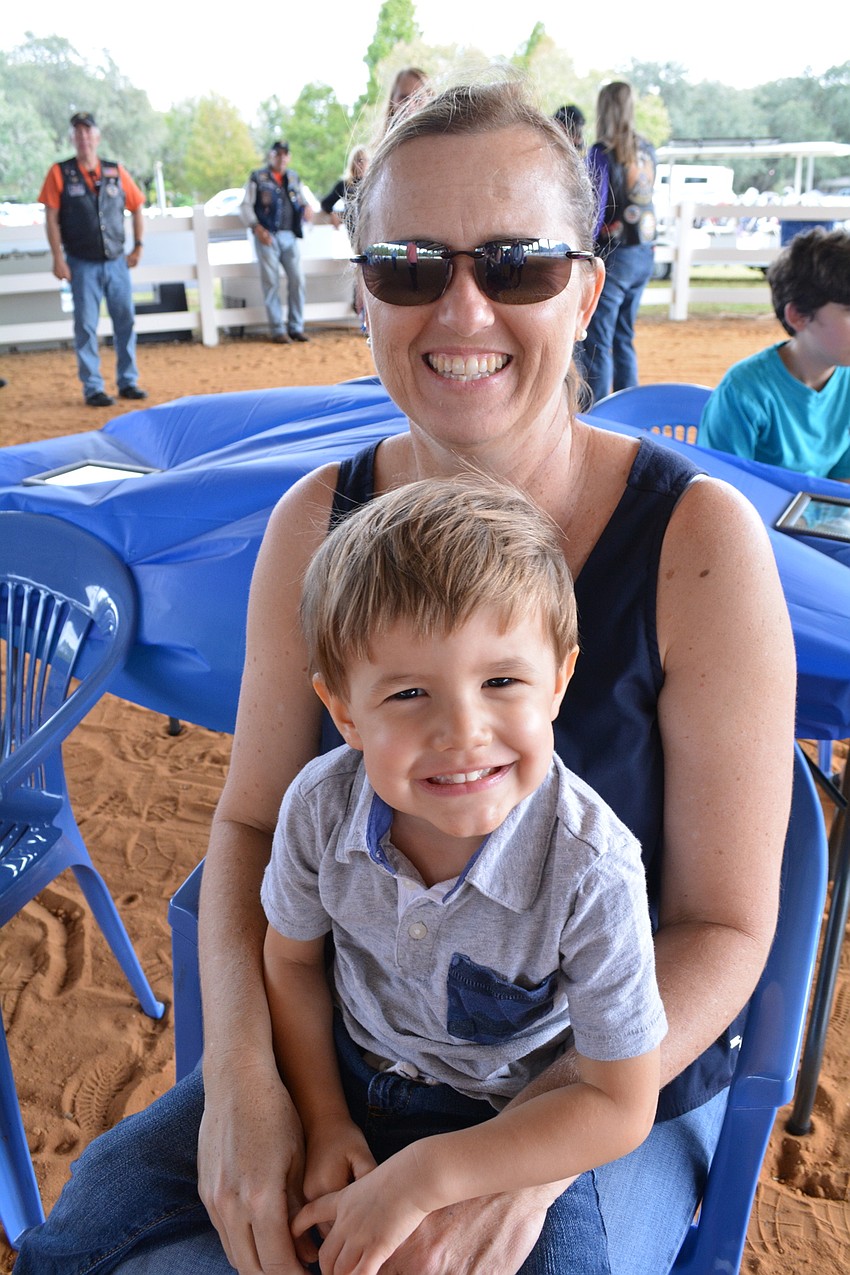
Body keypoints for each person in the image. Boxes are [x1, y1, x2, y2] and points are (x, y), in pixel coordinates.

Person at [14, 77, 795, 1275]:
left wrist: (533, 1153)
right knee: (91, 1233)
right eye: (411, 266)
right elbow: (255, 824)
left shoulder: (699, 545)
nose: (461, 306)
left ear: (585, 290)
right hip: (351, 1042)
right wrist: (243, 1085)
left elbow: (726, 924)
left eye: (518, 265)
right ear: (366, 291)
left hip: (597, 1073)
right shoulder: (312, 523)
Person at [263, 475, 666, 1275]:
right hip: (346, 1069)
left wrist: (431, 1175)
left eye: (501, 682)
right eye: (410, 692)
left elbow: (619, 1104)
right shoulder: (318, 806)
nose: (462, 730)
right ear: (344, 712)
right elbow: (291, 961)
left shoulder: (592, 868)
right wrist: (323, 1116)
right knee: (100, 1217)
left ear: (558, 681)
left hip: (513, 1124)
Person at [699, 226, 850, 478]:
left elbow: (843, 483)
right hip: (751, 516)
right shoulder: (744, 392)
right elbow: (720, 491)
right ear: (799, 316)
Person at [38, 111, 147, 407]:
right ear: (72, 139)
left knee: (125, 321)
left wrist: (138, 245)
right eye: (78, 133)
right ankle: (93, 387)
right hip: (81, 262)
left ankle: (128, 381)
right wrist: (57, 258)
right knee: (86, 325)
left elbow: (137, 206)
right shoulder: (59, 172)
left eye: (89, 132)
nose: (84, 138)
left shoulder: (115, 171)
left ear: (97, 137)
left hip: (116, 261)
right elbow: (51, 217)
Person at [583, 82, 658, 405]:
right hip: (644, 251)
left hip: (614, 255)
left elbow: (595, 207)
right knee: (624, 336)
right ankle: (630, 406)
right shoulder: (647, 150)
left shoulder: (602, 152)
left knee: (598, 340)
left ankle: (598, 412)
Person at [240, 141, 313, 344]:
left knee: (298, 279)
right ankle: (277, 329)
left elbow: (301, 199)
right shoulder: (258, 177)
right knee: (271, 282)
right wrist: (256, 227)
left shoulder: (293, 177)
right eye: (277, 154)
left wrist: (306, 207)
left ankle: (296, 327)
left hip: (289, 235)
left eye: (285, 154)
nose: (281, 158)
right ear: (271, 156)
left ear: (288, 157)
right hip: (267, 235)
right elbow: (245, 206)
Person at [320, 146, 369, 229]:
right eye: (359, 160)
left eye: (366, 160)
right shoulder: (345, 184)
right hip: (354, 230)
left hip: (372, 227)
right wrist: (334, 214)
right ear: (353, 162)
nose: (362, 164)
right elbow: (326, 203)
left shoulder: (372, 182)